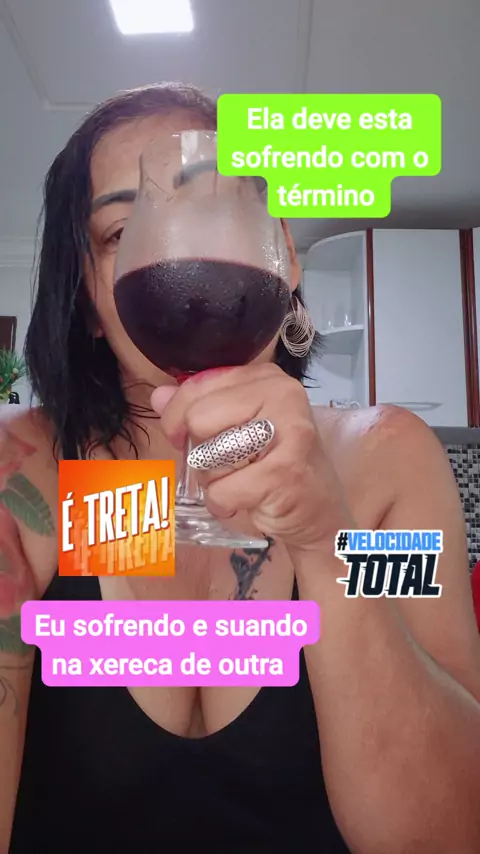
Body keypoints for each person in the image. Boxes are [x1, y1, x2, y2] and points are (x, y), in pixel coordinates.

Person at [1, 83, 479, 853]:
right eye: (124, 230)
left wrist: (325, 543)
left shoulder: (381, 465)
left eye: (210, 208)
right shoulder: (33, 478)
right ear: (88, 299)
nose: (174, 254)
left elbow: (448, 833)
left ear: (280, 251)